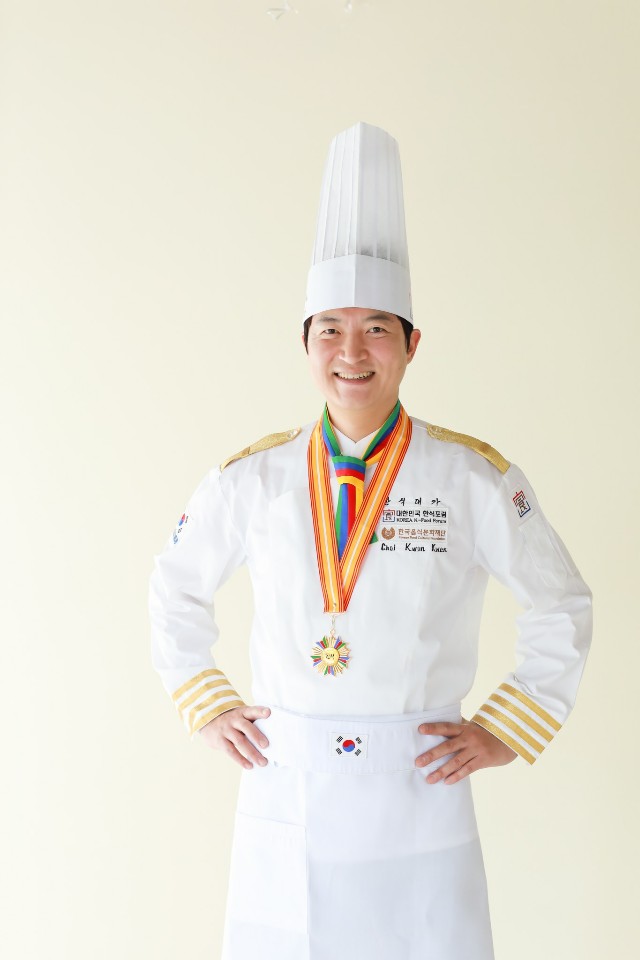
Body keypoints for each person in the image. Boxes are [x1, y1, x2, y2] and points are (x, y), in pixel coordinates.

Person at [149, 122, 592, 960]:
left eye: (378, 328)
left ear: (412, 343)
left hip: (419, 792)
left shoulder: (470, 476)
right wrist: (205, 701)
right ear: (305, 341)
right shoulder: (253, 478)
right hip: (288, 792)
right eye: (330, 329)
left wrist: (509, 726)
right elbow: (174, 585)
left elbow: (561, 601)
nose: (352, 352)